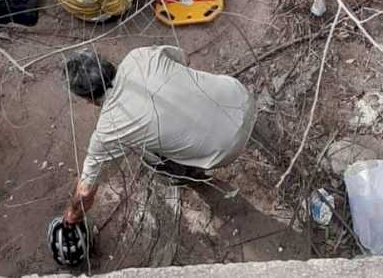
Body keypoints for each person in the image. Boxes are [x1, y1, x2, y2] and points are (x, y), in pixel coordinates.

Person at [60, 46, 257, 227]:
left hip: (226, 149)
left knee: (151, 157)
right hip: (241, 99)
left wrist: (72, 214)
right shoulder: (139, 56)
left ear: (87, 99)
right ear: (105, 62)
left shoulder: (107, 131)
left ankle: (189, 176)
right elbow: (183, 58)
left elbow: (85, 192)